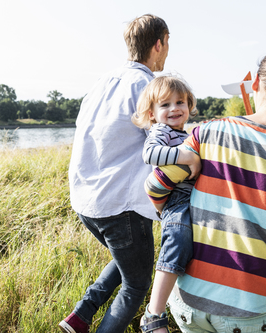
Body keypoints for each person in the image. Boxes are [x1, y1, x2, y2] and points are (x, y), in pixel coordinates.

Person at [145, 46, 266, 332]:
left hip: (189, 300)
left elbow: (156, 186)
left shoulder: (207, 132)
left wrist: (171, 210)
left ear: (255, 83)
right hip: (251, 307)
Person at [59, 14, 170, 333]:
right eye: (167, 45)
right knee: (136, 286)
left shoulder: (102, 82)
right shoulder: (149, 86)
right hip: (121, 206)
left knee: (128, 261)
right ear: (158, 44)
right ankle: (86, 317)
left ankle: (81, 315)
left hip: (85, 202)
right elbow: (162, 144)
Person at [131, 75, 198, 333]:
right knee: (178, 238)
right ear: (152, 113)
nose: (174, 109)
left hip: (191, 198)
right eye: (165, 105)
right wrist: (186, 156)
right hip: (176, 201)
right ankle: (153, 313)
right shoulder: (161, 131)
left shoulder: (185, 133)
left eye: (180, 102)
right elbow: (149, 153)